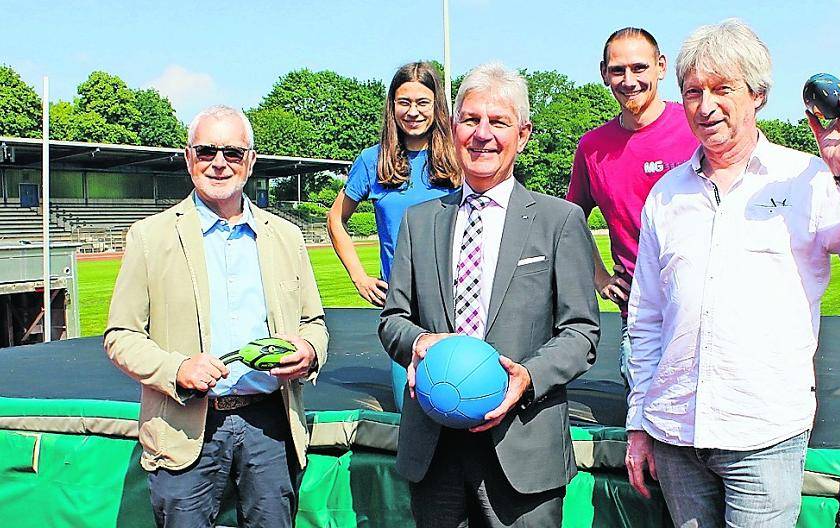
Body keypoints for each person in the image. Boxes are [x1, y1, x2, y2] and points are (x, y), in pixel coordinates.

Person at [624, 19, 840, 527]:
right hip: (673, 433)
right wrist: (638, 423)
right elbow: (647, 317)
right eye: (693, 91)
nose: (706, 105)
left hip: (762, 436)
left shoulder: (807, 178)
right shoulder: (667, 194)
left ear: (758, 94)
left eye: (723, 89)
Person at [378, 63, 600, 527]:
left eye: (498, 122)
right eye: (470, 120)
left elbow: (581, 332)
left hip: (523, 449)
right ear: (453, 129)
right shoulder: (420, 221)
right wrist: (419, 343)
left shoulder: (559, 221)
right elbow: (392, 318)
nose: (482, 135)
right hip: (435, 451)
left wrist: (527, 377)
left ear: (523, 134)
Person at [104, 105, 329, 528]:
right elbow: (121, 335)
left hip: (269, 422)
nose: (219, 163)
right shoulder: (150, 236)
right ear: (189, 158)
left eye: (232, 152)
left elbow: (314, 324)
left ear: (251, 161)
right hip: (185, 425)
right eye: (206, 151)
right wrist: (177, 368)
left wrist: (308, 351)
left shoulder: (286, 237)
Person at [566, 27, 698, 383]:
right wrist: (600, 277)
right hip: (640, 317)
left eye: (639, 68)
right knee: (646, 425)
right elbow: (570, 222)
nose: (629, 80)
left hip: (705, 309)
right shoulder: (592, 147)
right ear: (603, 73)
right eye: (617, 70)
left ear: (661, 66)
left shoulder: (695, 127)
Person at [327, 61, 461, 411]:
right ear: (392, 105)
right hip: (404, 309)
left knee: (466, 401)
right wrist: (359, 277)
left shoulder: (459, 158)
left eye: (423, 102)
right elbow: (335, 220)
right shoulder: (373, 161)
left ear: (437, 106)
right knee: (414, 407)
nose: (413, 112)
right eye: (404, 102)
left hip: (460, 301)